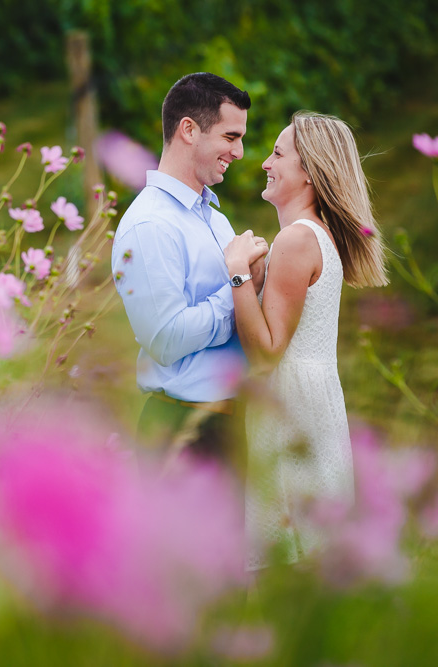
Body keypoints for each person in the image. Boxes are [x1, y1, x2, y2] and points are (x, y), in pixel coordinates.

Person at [222, 112, 387, 570]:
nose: (264, 164)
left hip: (291, 407)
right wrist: (256, 285)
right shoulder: (315, 236)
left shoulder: (296, 239)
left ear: (309, 172)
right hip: (313, 400)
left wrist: (236, 272)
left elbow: (268, 351)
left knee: (282, 564)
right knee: (306, 559)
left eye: (277, 153)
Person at [112, 73, 260, 466]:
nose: (240, 152)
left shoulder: (214, 218)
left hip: (226, 420)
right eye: (231, 137)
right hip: (180, 430)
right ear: (189, 130)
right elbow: (165, 340)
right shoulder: (150, 226)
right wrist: (239, 288)